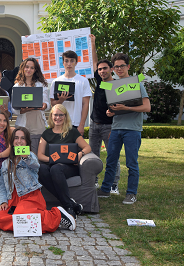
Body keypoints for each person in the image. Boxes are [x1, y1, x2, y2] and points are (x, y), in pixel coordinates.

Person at [0, 127, 77, 232]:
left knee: (20, 217)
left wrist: (25, 157)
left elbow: (36, 165)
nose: (19, 141)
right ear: (12, 141)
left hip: (31, 197)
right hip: (13, 202)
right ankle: (33, 219)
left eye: (22, 138)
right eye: (16, 138)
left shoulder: (30, 156)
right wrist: (3, 202)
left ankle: (57, 216)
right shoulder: (5, 164)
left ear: (27, 142)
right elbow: (2, 186)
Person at [97, 53, 151, 204]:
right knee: (111, 160)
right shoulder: (112, 85)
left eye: (122, 66)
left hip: (132, 129)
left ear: (128, 66)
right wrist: (111, 112)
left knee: (131, 163)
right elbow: (115, 108)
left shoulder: (137, 83)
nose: (119, 69)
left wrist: (125, 107)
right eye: (116, 66)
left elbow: (147, 107)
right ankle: (105, 189)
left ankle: (131, 193)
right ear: (113, 69)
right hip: (116, 128)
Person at [38, 104, 91, 219]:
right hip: (51, 166)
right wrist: (52, 159)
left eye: (61, 115)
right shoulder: (46, 134)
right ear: (51, 116)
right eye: (55, 115)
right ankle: (70, 205)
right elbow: (40, 155)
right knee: (41, 168)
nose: (58, 118)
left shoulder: (72, 132)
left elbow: (87, 147)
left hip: (69, 167)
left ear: (65, 116)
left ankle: (68, 207)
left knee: (56, 168)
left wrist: (80, 154)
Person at [89, 34, 121, 193]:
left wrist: (114, 111)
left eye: (105, 68)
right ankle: (93, 181)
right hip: (94, 125)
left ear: (111, 70)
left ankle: (114, 185)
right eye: (100, 69)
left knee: (112, 156)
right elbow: (94, 62)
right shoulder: (100, 82)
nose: (101, 71)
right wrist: (93, 43)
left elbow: (123, 106)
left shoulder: (117, 85)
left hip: (109, 127)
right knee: (93, 155)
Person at [12, 58, 50, 154]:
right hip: (23, 123)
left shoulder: (41, 85)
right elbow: (13, 108)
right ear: (23, 68)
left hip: (37, 123)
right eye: (27, 67)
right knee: (21, 153)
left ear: (35, 70)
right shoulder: (17, 86)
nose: (29, 70)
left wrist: (44, 106)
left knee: (36, 152)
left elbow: (47, 104)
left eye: (32, 68)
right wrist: (22, 110)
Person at [50, 51, 92, 136]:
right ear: (63, 63)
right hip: (59, 123)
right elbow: (52, 105)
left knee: (76, 149)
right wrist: (61, 100)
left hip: (76, 123)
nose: (69, 63)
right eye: (66, 61)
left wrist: (81, 125)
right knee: (59, 149)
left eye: (72, 61)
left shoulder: (83, 81)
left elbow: (85, 104)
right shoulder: (56, 82)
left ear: (76, 63)